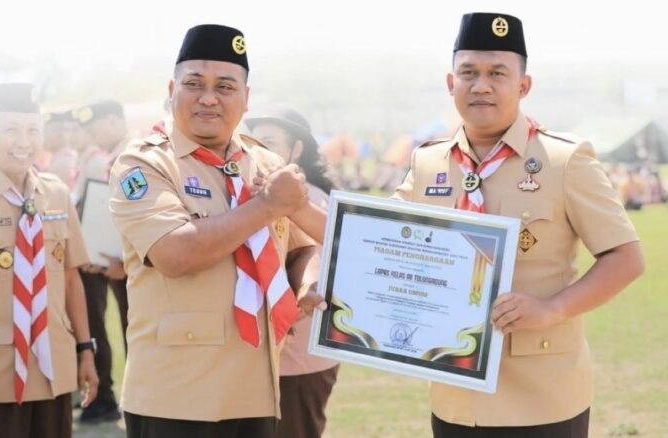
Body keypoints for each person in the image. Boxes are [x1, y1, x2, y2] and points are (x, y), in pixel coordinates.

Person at [388, 12, 645, 437]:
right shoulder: (429, 161)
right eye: (468, 72)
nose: (481, 85)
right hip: (455, 395)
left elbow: (626, 257)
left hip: (541, 397)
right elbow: (378, 238)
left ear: (523, 86)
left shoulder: (564, 160)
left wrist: (552, 309)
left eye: (497, 73)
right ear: (451, 83)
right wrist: (297, 208)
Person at [108, 24, 322, 438]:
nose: (208, 98)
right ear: (172, 89)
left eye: (225, 86)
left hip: (256, 390)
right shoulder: (145, 164)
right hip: (176, 395)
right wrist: (266, 206)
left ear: (246, 97)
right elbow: (175, 254)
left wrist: (304, 284)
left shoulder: (265, 163)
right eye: (194, 84)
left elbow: (303, 247)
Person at [0, 83, 98, 437]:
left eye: (33, 130)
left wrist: (86, 350)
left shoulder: (55, 193)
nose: (24, 142)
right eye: (11, 130)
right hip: (1, 373)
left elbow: (70, 278)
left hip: (52, 365)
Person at [245, 104, 339, 438]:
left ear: (296, 149)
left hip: (298, 354)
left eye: (269, 142)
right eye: (253, 143)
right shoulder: (257, 197)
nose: (259, 151)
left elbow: (318, 262)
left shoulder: (310, 200)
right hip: (265, 352)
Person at [73, 99, 130, 424]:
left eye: (95, 128)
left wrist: (126, 262)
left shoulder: (134, 155)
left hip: (132, 265)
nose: (91, 136)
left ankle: (133, 404)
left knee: (135, 334)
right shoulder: (111, 158)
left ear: (112, 121)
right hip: (111, 260)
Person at [42, 110, 79, 191]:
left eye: (45, 131)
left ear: (59, 134)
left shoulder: (61, 164)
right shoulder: (61, 158)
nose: (42, 137)